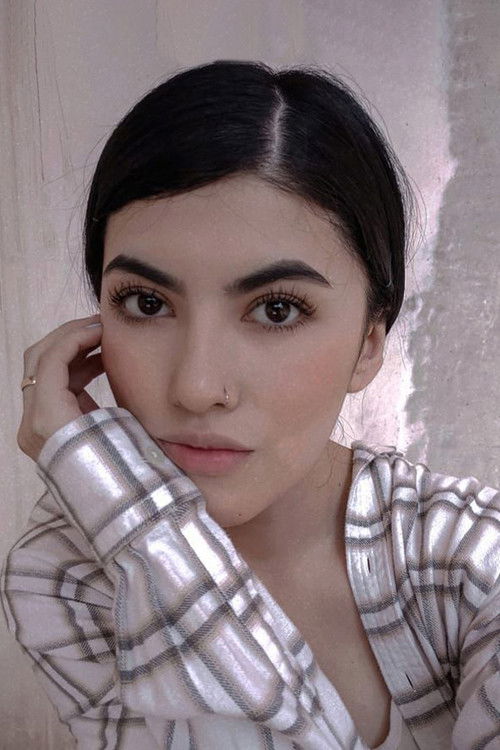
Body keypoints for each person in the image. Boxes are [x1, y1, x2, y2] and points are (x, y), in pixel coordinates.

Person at [1, 59, 498, 750]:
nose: (197, 386)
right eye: (146, 303)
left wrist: (137, 527)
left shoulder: (469, 557)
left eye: (276, 309)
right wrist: (140, 534)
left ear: (368, 344)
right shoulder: (66, 577)